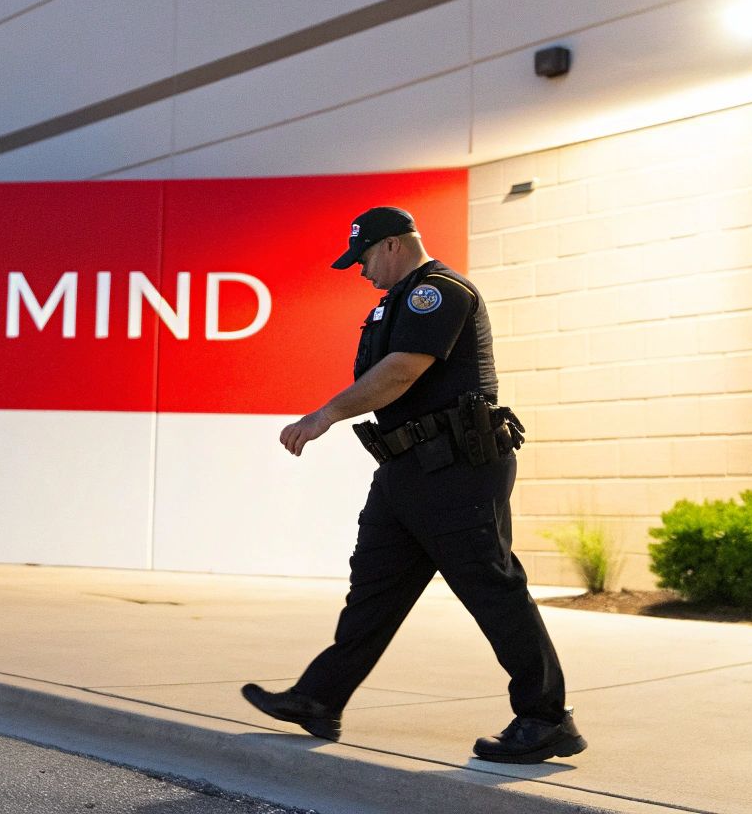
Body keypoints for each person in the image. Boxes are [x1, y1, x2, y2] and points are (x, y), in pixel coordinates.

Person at [240, 205, 584, 765]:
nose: (361, 270)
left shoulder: (440, 292)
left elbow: (402, 371)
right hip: (406, 470)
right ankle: (319, 698)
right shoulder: (391, 304)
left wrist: (324, 415)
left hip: (457, 469)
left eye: (365, 257)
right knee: (374, 587)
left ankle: (546, 719)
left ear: (394, 246)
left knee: (491, 588)